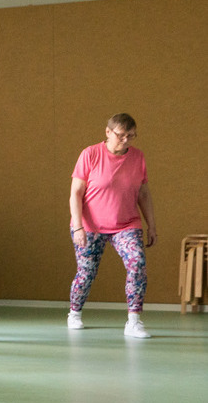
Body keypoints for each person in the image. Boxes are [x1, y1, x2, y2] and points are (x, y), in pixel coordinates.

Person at [67, 113, 157, 338]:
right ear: (108, 132)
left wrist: (151, 225)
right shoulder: (90, 154)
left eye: (131, 136)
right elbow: (75, 193)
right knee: (86, 272)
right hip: (90, 225)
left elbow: (143, 194)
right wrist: (78, 227)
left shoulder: (138, 158)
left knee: (137, 264)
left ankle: (134, 321)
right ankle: (74, 313)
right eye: (121, 135)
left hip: (126, 224)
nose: (126, 140)